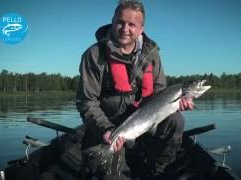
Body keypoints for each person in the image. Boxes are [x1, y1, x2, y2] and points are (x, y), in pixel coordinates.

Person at [76, 0, 194, 179]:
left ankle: (158, 171)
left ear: (141, 29)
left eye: (132, 24)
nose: (125, 28)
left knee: (176, 120)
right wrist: (105, 129)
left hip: (144, 122)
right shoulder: (93, 55)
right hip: (107, 127)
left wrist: (179, 104)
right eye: (120, 22)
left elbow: (161, 93)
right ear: (113, 21)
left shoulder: (151, 53)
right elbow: (87, 102)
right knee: (110, 174)